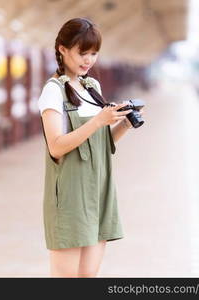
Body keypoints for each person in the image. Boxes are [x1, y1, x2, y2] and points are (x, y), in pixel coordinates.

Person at [37, 17, 144, 277]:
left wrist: (124, 123)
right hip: (72, 196)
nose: (88, 60)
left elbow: (100, 146)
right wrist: (98, 121)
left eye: (94, 53)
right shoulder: (53, 91)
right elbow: (57, 147)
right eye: (82, 53)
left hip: (98, 190)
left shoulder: (91, 86)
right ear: (62, 49)